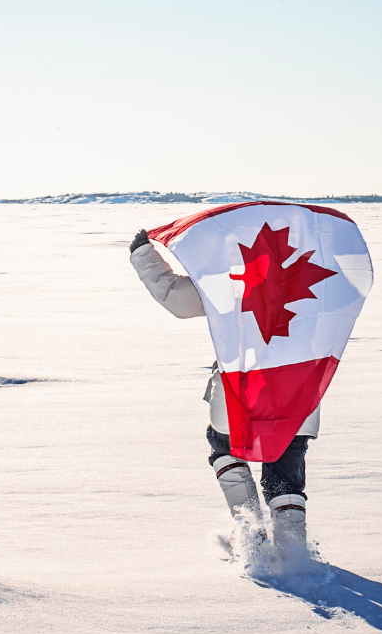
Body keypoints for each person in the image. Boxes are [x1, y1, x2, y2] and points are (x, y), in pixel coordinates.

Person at [129, 228, 314, 548]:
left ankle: (251, 533)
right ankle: (293, 555)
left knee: (225, 448)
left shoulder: (235, 282)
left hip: (238, 392)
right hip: (296, 392)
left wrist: (143, 253)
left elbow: (175, 297)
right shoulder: (312, 279)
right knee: (284, 469)